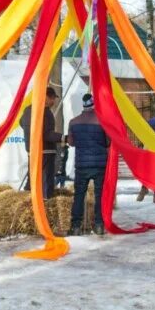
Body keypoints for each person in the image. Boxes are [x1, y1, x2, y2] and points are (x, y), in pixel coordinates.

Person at [66, 93, 108, 236]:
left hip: (82, 164)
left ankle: (76, 226)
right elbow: (108, 142)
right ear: (94, 104)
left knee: (79, 195)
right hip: (99, 164)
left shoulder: (73, 122)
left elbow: (71, 143)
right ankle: (99, 225)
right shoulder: (102, 121)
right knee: (99, 195)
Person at [20, 86, 61, 199]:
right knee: (46, 182)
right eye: (52, 98)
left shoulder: (28, 110)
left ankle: (28, 201)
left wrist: (30, 134)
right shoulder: (45, 112)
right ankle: (45, 204)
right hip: (45, 151)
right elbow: (46, 134)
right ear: (45, 97)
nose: (53, 101)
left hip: (31, 151)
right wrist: (63, 138)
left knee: (32, 179)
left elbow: (21, 122)